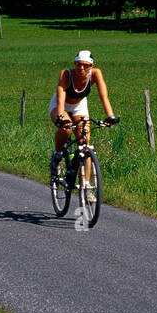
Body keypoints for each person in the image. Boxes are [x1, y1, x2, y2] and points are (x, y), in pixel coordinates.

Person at [49, 51, 116, 201]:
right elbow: (60, 97)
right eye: (78, 64)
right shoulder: (66, 74)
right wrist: (61, 117)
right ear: (74, 64)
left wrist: (110, 116)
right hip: (61, 105)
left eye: (85, 65)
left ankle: (86, 186)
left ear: (91, 66)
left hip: (79, 105)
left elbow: (103, 95)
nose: (81, 68)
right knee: (66, 129)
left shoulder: (96, 74)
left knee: (84, 144)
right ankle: (57, 155)